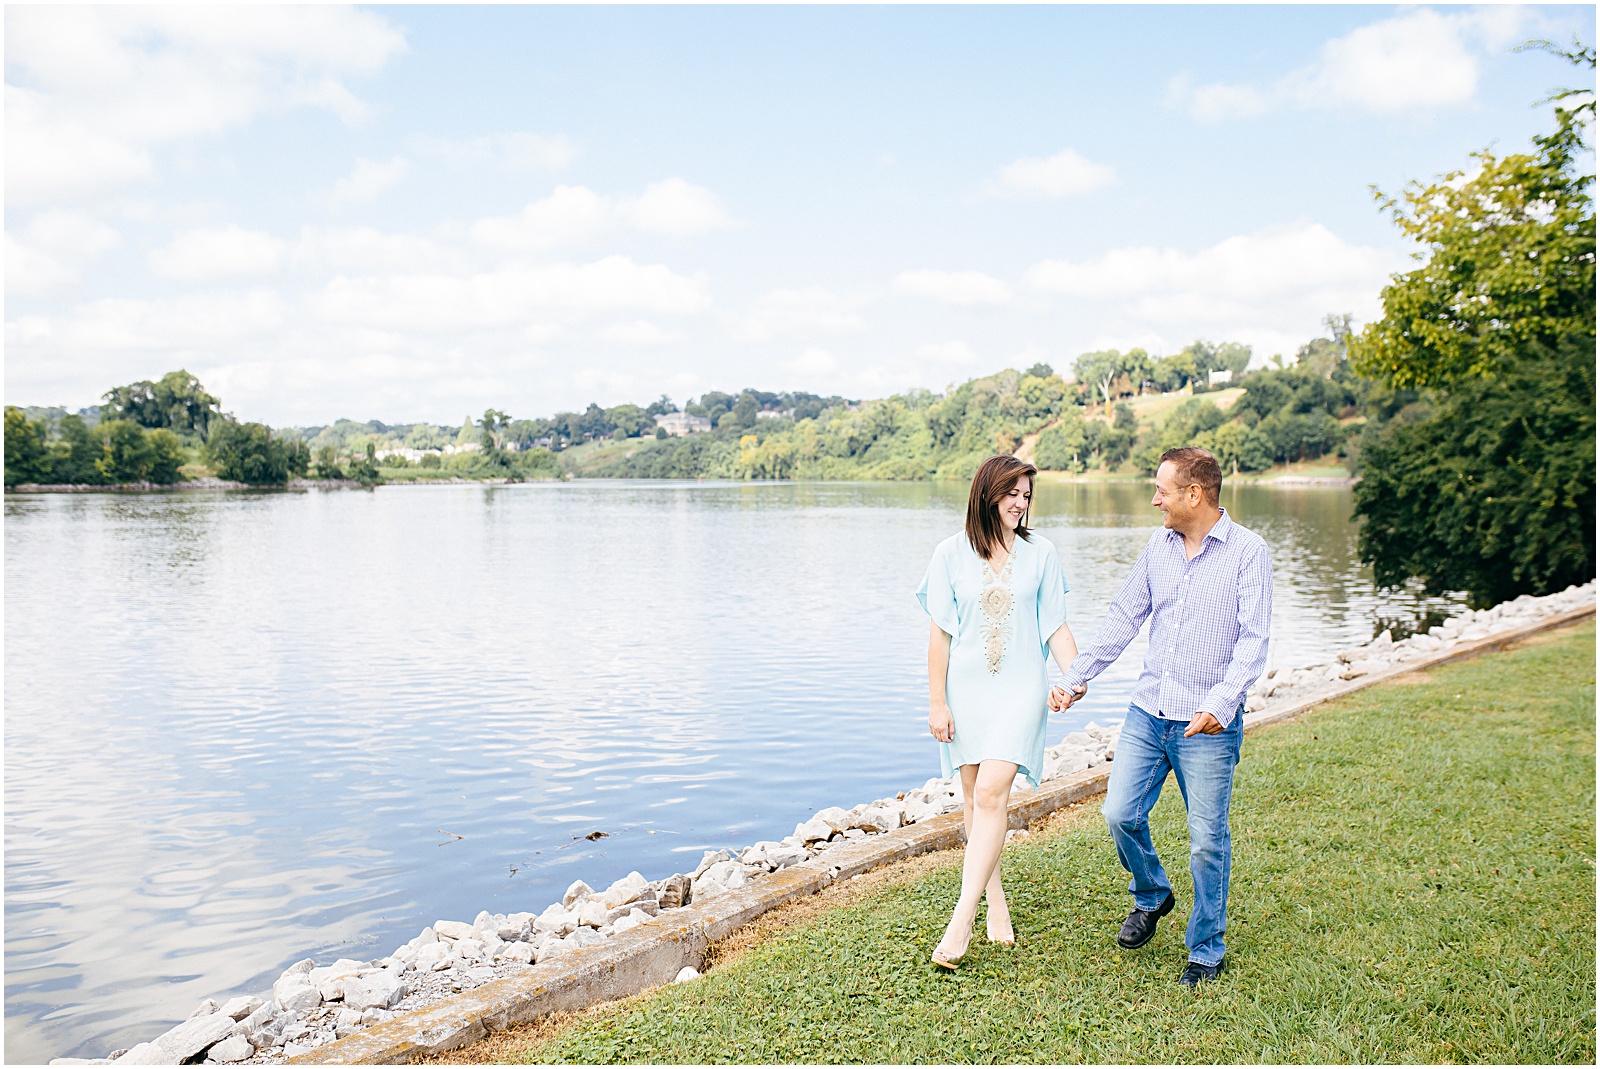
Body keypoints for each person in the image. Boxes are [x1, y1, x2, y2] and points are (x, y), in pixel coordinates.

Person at [1053, 445, 1272, 986]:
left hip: (1208, 722)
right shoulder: (1159, 546)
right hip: (1149, 712)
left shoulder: (1249, 552)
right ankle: (1152, 894)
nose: (1155, 500)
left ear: (1193, 495)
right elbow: (1126, 614)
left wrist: (1221, 705)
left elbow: (1254, 642)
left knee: (1206, 839)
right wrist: (1079, 674)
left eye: (1162, 491)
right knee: (1119, 814)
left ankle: (1205, 948)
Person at [916, 454, 1085, 969]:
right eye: (1013, 492)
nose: (1020, 503)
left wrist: (1073, 677)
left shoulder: (1042, 554)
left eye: (1027, 496)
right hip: (965, 692)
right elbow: (940, 635)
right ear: (987, 492)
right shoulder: (949, 553)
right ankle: (994, 901)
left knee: (992, 793)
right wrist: (937, 701)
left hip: (1020, 690)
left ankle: (960, 921)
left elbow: (1054, 624)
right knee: (973, 799)